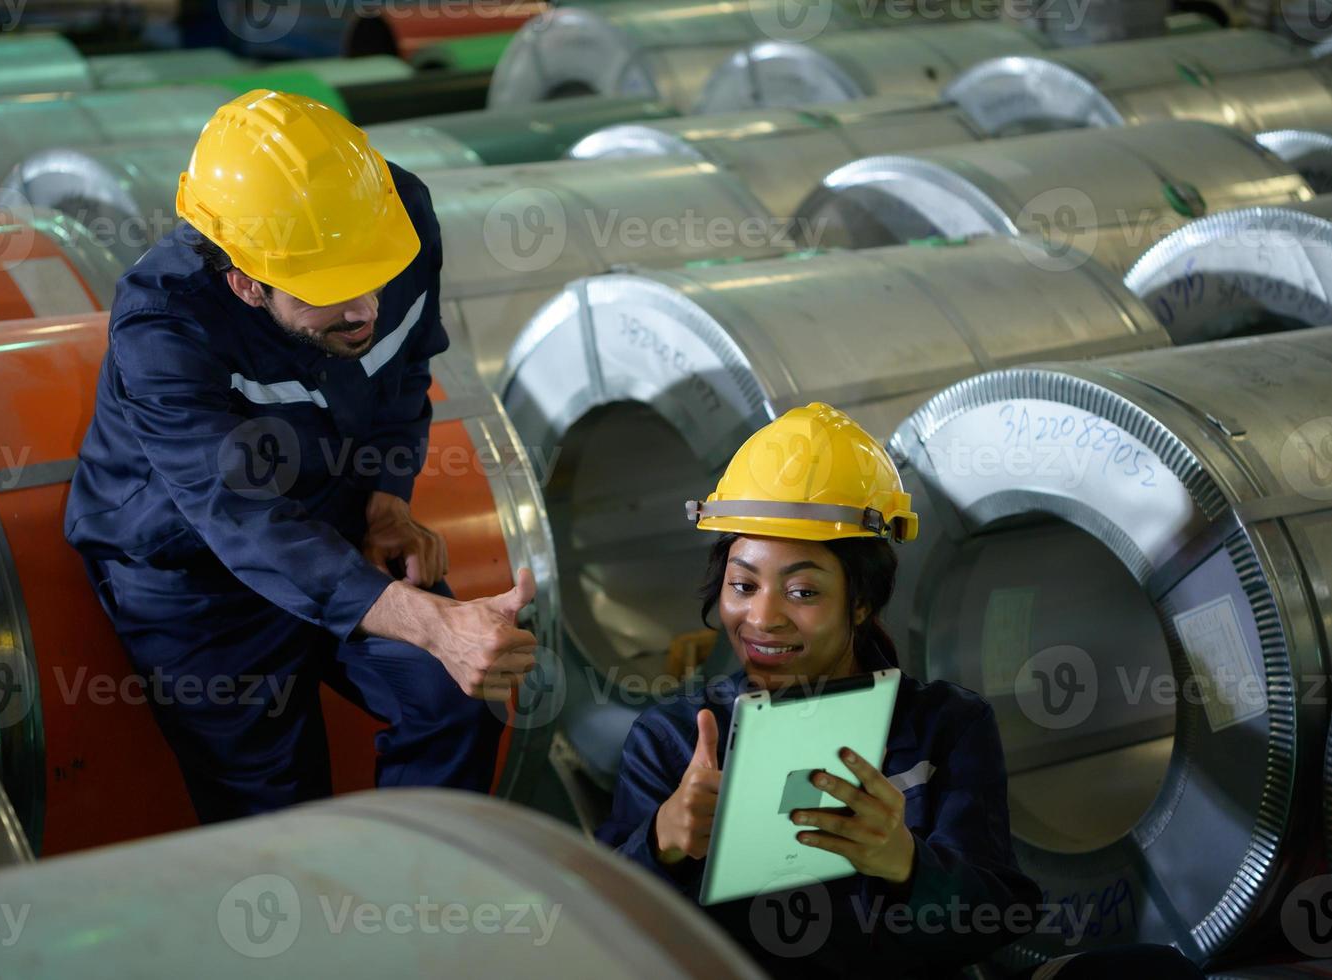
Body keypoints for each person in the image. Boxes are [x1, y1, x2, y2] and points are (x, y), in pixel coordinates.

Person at [64, 90, 537, 823]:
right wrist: (436, 625)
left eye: (371, 277)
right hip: (196, 577)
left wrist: (385, 500)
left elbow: (404, 370)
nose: (364, 310)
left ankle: (416, 906)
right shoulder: (164, 326)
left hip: (332, 518)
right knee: (276, 810)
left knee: (454, 700)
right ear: (246, 282)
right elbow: (242, 519)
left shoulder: (392, 221)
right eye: (328, 294)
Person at [596, 402, 1042, 977]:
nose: (763, 618)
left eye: (803, 592)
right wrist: (662, 842)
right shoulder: (676, 741)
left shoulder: (944, 728)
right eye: (742, 584)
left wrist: (907, 863)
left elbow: (998, 919)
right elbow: (602, 932)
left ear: (861, 600)